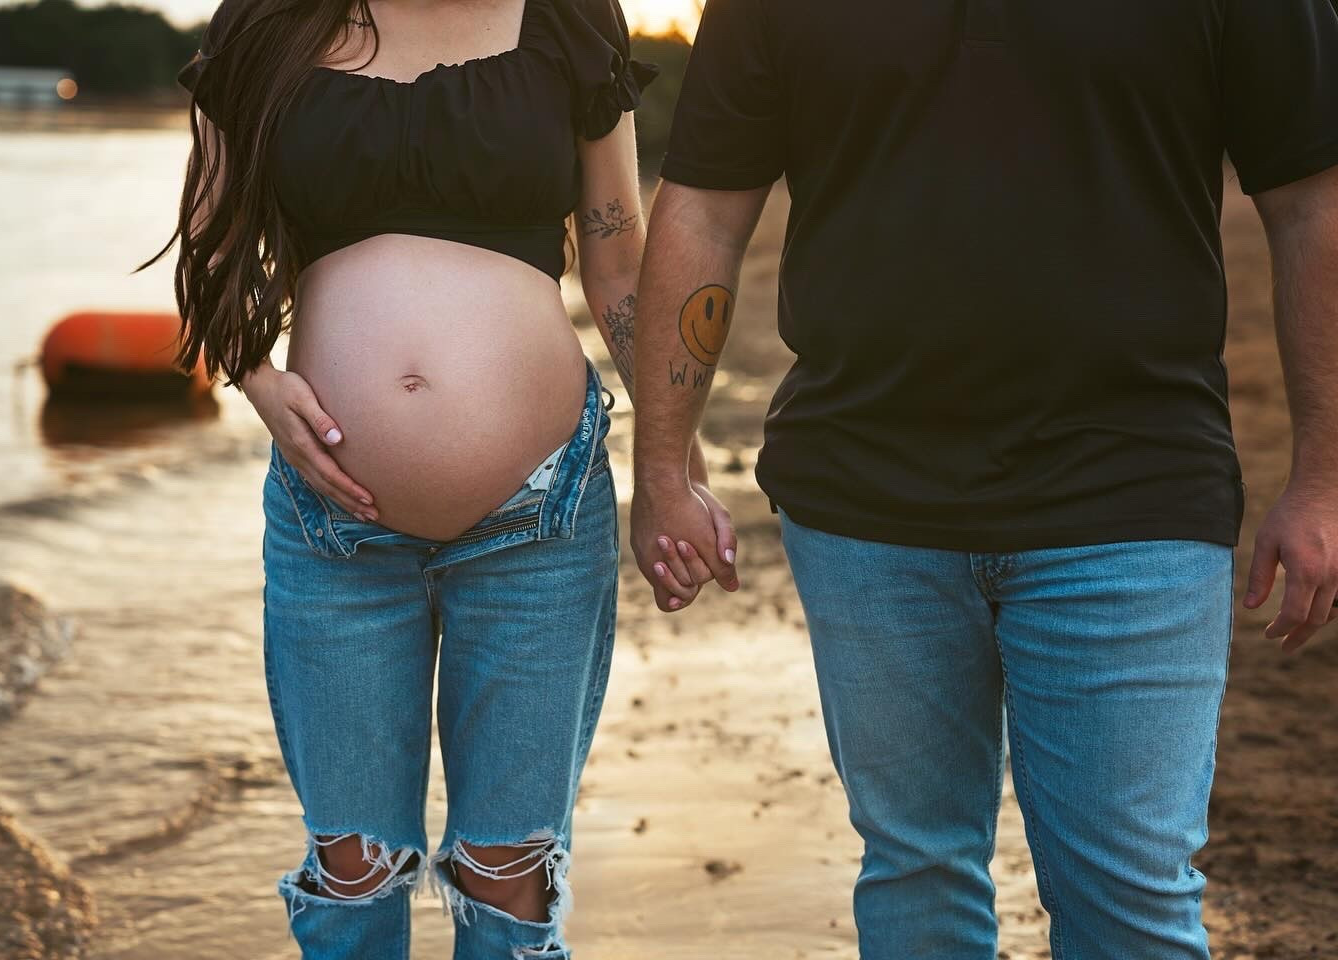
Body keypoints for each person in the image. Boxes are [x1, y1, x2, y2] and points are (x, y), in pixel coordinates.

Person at [628, 1, 1338, 958]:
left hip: (1135, 493)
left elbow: (1311, 202)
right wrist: (660, 466)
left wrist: (1324, 479)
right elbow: (706, 207)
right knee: (915, 875)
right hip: (864, 505)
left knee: (1129, 900)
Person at [153, 1, 705, 956]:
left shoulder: (567, 16)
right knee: (352, 877)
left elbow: (619, 263)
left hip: (540, 515)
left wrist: (670, 462)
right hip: (336, 529)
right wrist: (256, 379)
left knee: (510, 882)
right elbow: (207, 234)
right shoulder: (267, 19)